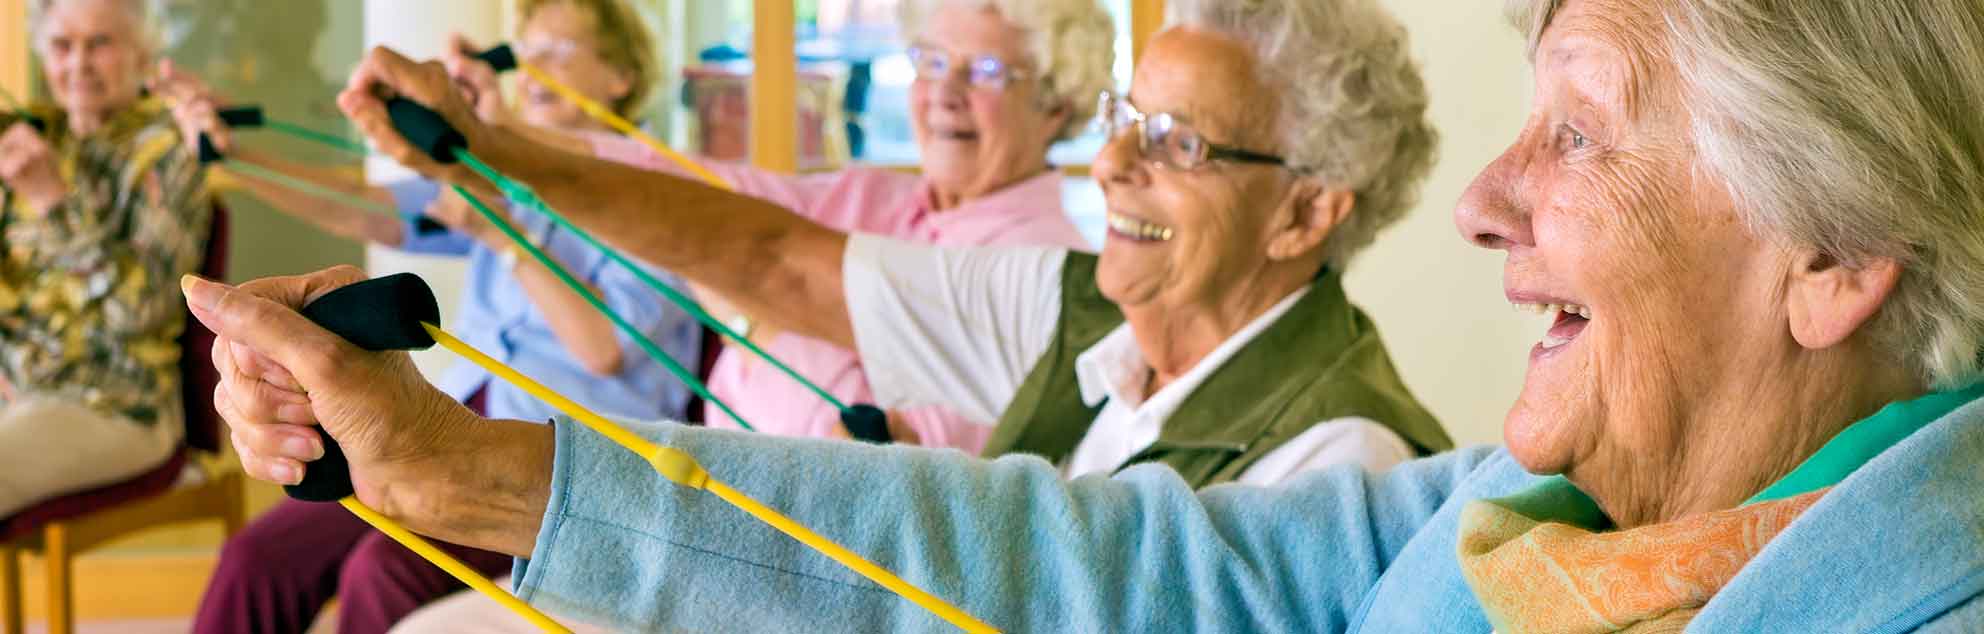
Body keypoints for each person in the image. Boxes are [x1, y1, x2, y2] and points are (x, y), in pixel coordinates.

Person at [199, 0, 1984, 630]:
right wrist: (476, 471)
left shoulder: (1347, 434)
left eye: (1578, 130)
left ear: (1825, 251)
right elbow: (1090, 566)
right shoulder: (1510, 510)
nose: (1487, 203)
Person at [345, 0, 1455, 497]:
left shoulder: (1341, 456)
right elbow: (773, 255)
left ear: (1306, 214)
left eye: (1174, 143)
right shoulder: (1079, 315)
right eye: (1125, 118)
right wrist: (490, 149)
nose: (1113, 165)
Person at [187, 2, 702, 633]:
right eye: (524, 52)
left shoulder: (657, 190)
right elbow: (366, 210)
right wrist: (237, 159)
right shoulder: (504, 174)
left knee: (380, 573)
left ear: (621, 75)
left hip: (569, 458)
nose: (531, 71)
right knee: (260, 555)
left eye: (557, 52)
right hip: (454, 420)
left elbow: (602, 349)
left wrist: (507, 238)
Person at [0, 0, 219, 518]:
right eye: (62, 45)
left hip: (118, 405)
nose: (78, 64)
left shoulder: (170, 155)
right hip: (17, 392)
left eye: (100, 43)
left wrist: (57, 205)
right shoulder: (30, 138)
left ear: (144, 54)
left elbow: (137, 311)